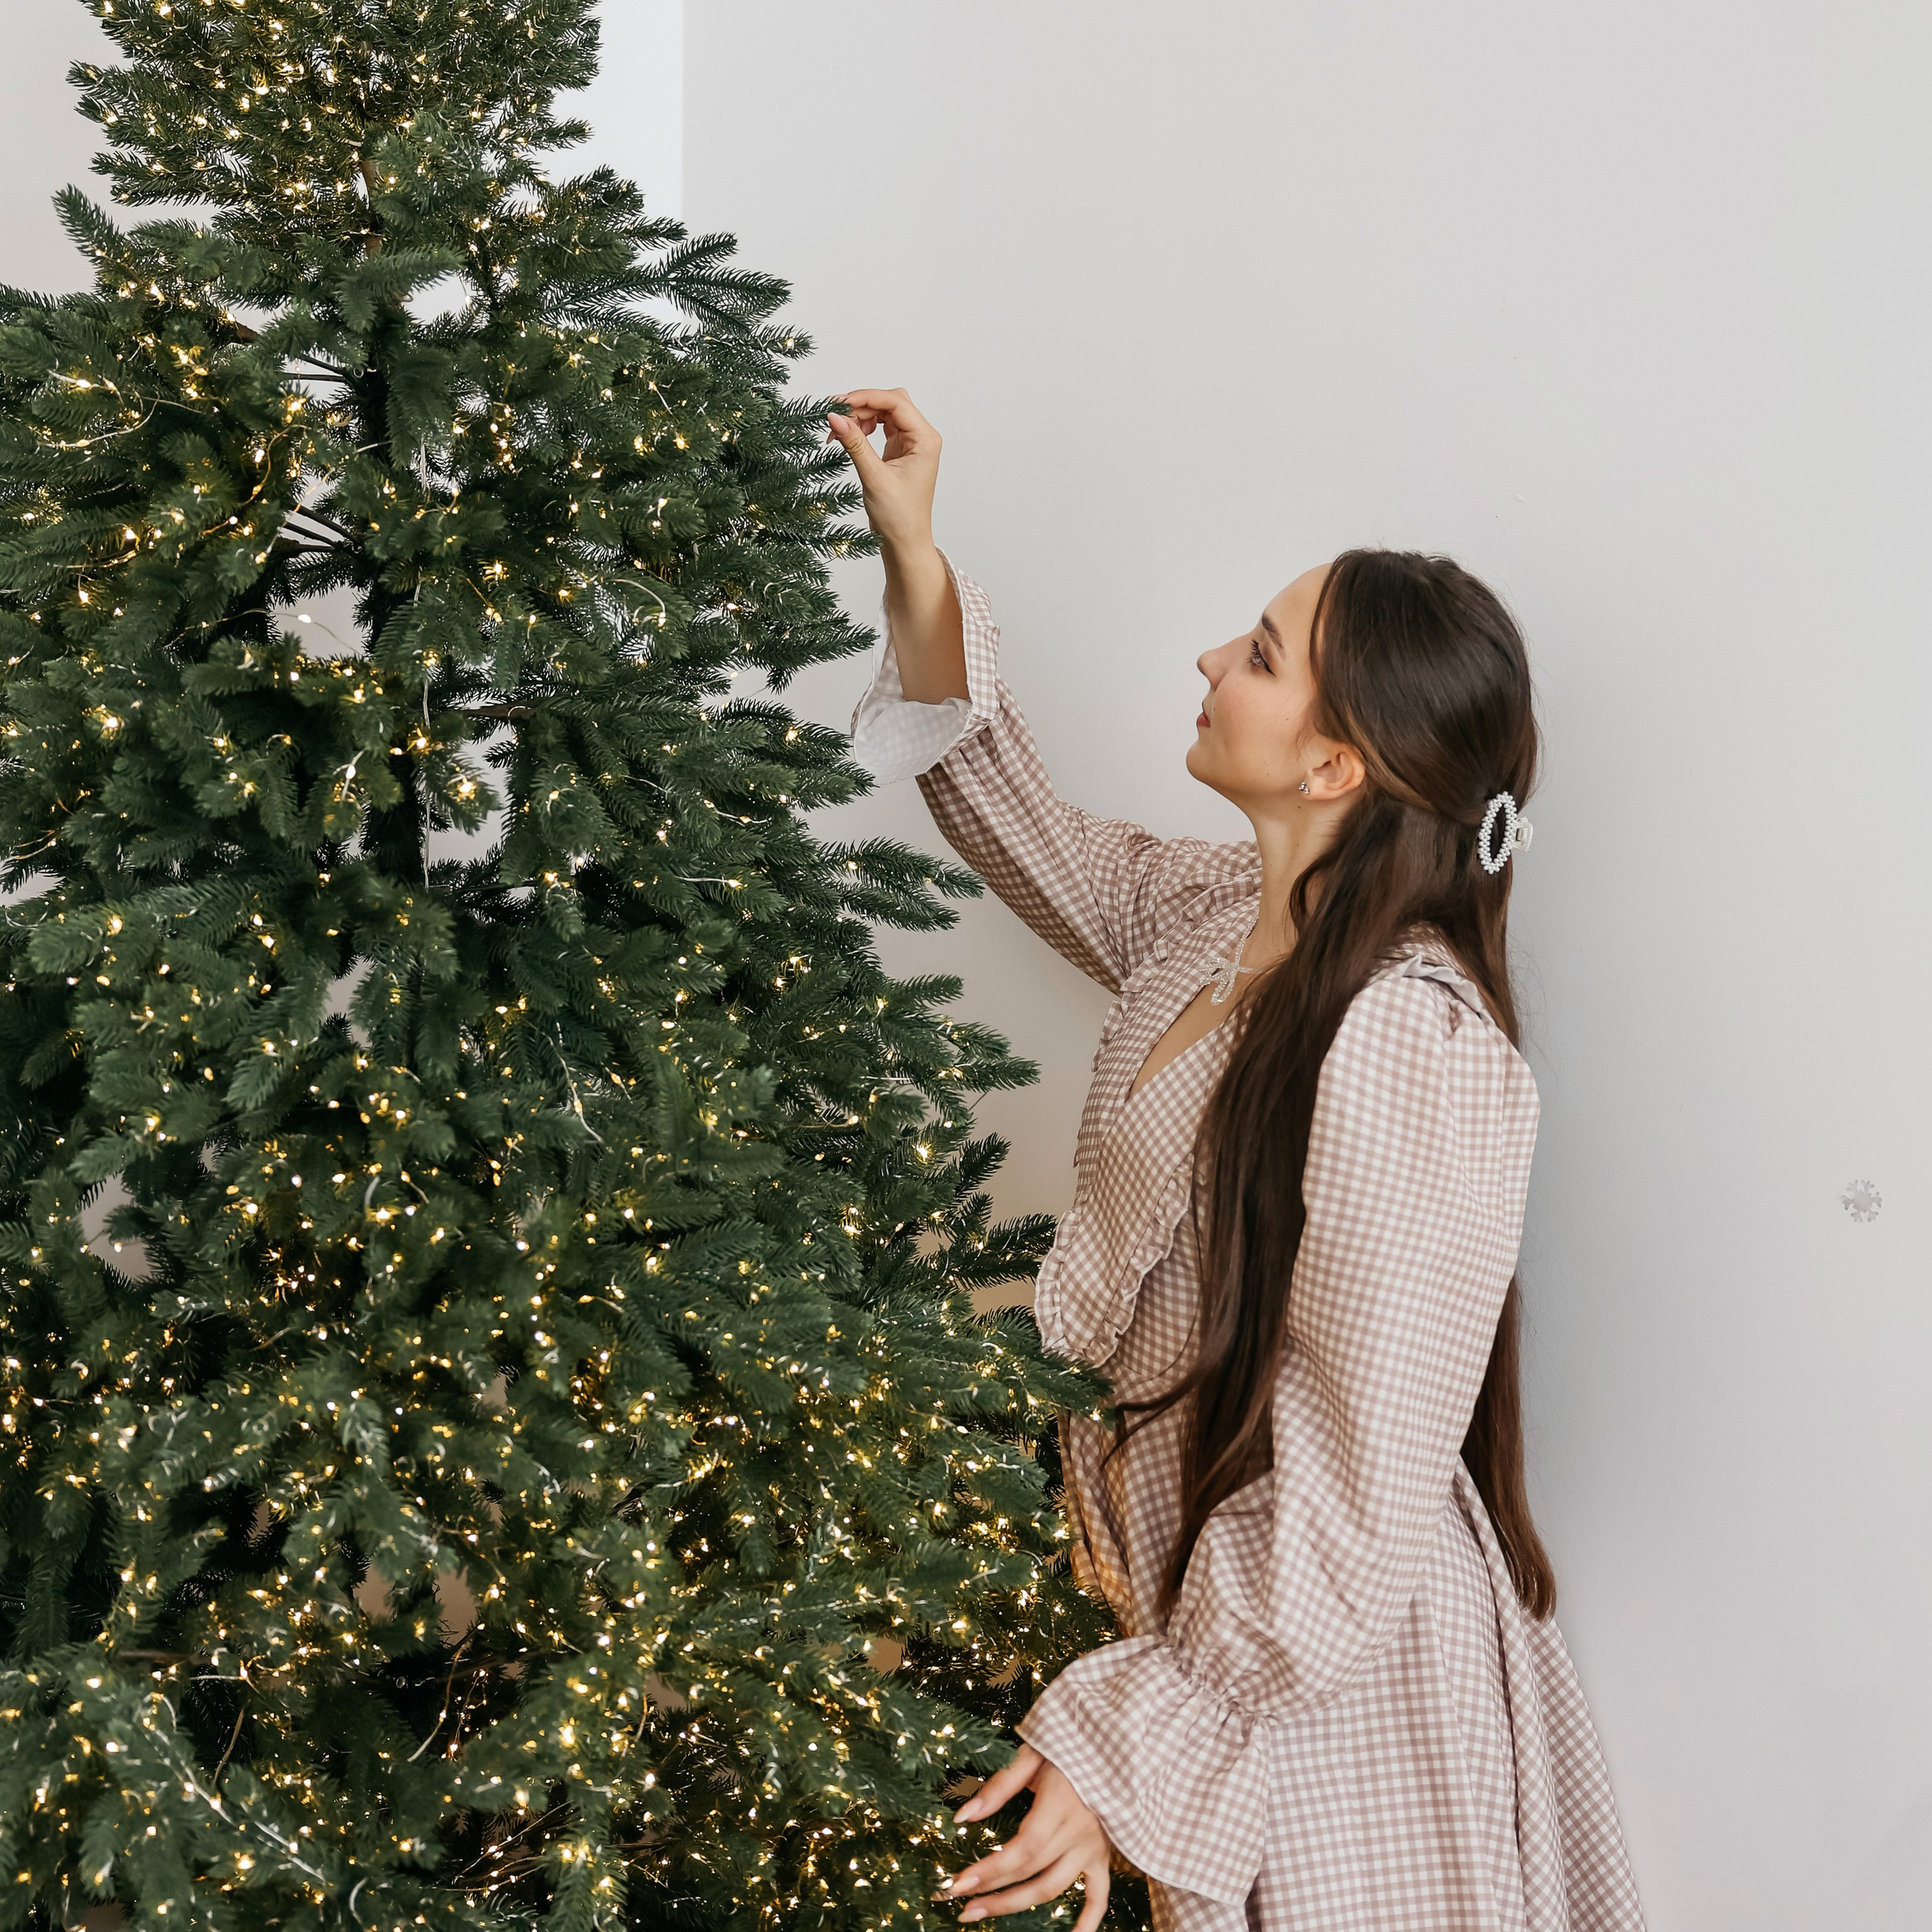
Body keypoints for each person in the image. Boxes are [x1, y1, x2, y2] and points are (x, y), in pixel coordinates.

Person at [829, 389, 1648, 1932]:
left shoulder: (1413, 1039)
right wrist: (914, 553)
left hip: (1322, 1671)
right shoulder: (1202, 918)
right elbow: (1013, 824)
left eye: (1260, 652)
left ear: (1338, 765)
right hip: (1165, 1601)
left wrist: (1138, 1728)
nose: (1213, 657)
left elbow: (1348, 1485)